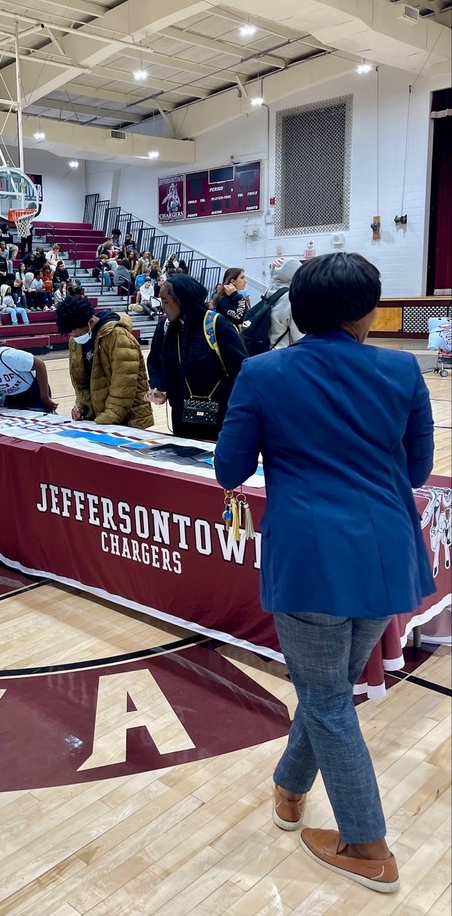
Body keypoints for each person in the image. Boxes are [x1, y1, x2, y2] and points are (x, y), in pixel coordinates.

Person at [214, 253, 434, 895]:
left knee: (327, 694)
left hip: (310, 558)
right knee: (331, 687)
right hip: (388, 555)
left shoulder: (262, 372)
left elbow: (230, 470)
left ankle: (367, 844)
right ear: (366, 311)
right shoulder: (401, 368)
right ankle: (289, 789)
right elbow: (417, 471)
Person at [145, 274, 247, 441]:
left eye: (166, 301)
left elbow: (241, 368)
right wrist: (160, 388)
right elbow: (156, 363)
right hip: (181, 416)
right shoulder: (165, 327)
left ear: (182, 301)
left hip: (219, 417)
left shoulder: (216, 324)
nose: (162, 307)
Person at [56, 296, 154, 429]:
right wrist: (82, 407)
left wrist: (106, 420)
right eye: (71, 335)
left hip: (127, 420)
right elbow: (81, 381)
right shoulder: (76, 341)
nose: (73, 338)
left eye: (77, 335)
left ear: (90, 322)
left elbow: (123, 385)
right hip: (101, 419)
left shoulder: (118, 337)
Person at [265, 257, 304, 349]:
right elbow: (299, 336)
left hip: (267, 349)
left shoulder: (270, 290)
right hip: (284, 353)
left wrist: (274, 268)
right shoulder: (291, 298)